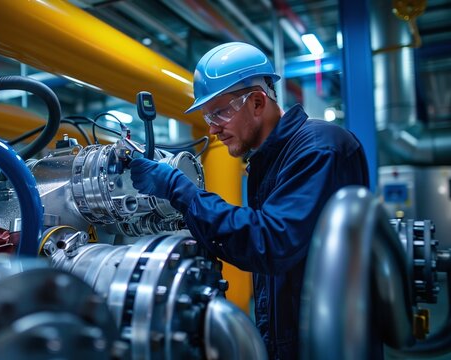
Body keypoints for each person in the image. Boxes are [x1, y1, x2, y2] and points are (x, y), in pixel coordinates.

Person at [128, 42, 370, 359]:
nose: (212, 129)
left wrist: (179, 189)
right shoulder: (269, 160)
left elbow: (269, 241)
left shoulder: (319, 148)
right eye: (207, 116)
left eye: (218, 113)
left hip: (328, 345)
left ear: (257, 102)